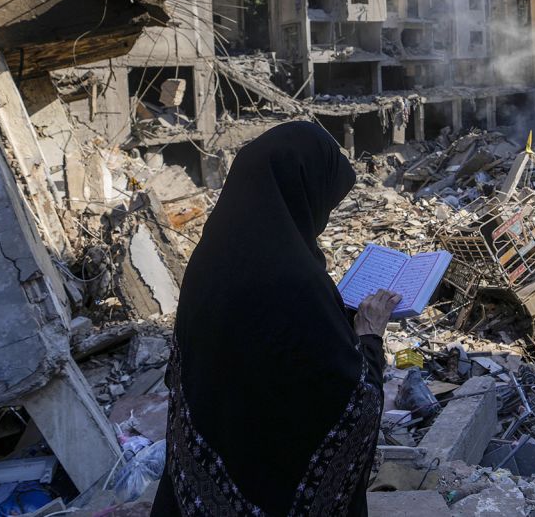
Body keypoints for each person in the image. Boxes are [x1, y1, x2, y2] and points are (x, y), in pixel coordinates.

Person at [153, 122, 399, 517]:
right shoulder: (295, 280)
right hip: (268, 491)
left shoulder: (212, 256)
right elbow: (352, 403)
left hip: (199, 487)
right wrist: (369, 335)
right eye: (325, 203)